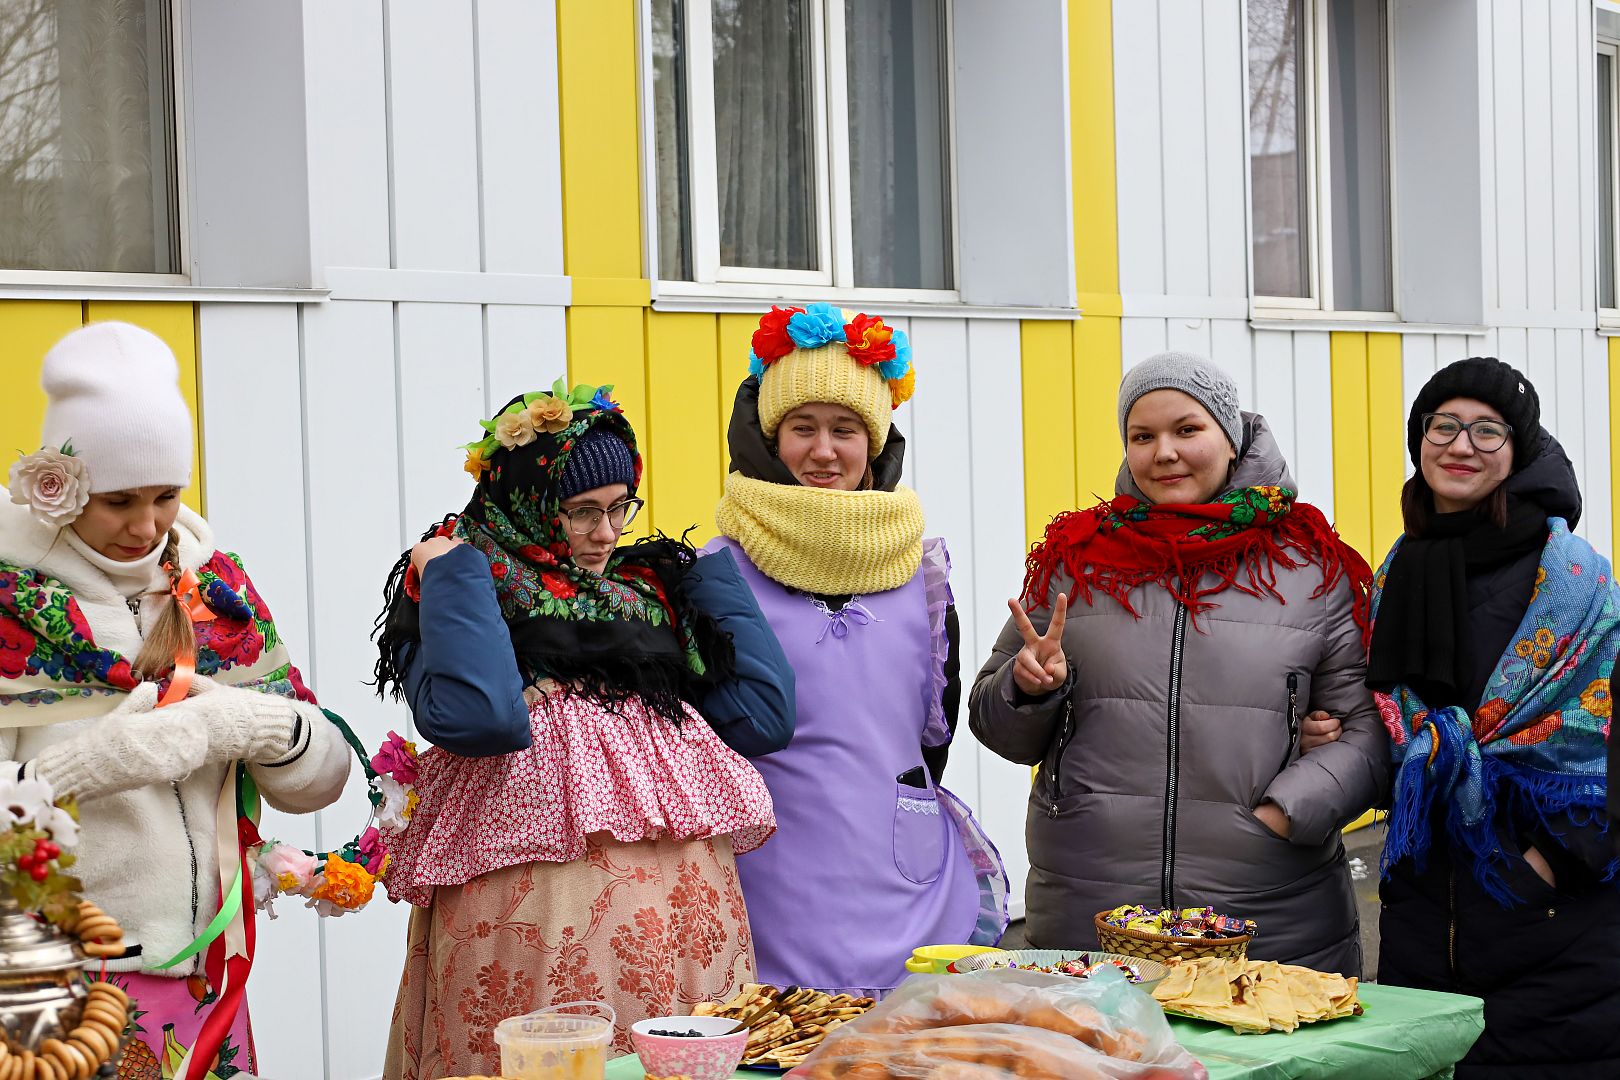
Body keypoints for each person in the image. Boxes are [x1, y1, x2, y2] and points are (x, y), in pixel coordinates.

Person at [375, 385, 780, 1075]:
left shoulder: (649, 592)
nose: (606, 533)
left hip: (679, 912)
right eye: (582, 513)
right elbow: (480, 718)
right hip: (532, 906)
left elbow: (765, 717)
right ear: (529, 503)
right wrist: (453, 568)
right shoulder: (456, 580)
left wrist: (704, 576)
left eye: (620, 507)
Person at [0, 322, 352, 1074]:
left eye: (167, 495)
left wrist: (255, 724)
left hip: (205, 972)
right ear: (58, 489)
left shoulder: (216, 590)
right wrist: (88, 767)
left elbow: (319, 778)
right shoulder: (8, 603)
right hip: (53, 980)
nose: (147, 526)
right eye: (119, 499)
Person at [969, 352, 1389, 974]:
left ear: (1231, 436)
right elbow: (994, 723)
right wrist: (1029, 689)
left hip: (1267, 915)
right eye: (1143, 436)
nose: (1163, 452)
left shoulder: (1311, 565)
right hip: (1090, 909)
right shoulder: (1078, 560)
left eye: (1186, 430)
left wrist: (1282, 812)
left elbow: (1368, 734)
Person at [706, 303, 1008, 999]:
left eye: (846, 430)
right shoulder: (719, 569)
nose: (824, 451)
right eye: (801, 428)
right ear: (767, 436)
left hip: (904, 883)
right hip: (773, 884)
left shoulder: (918, 570)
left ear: (874, 443)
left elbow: (932, 731)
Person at [1366, 358, 1620, 1076]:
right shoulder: (1398, 572)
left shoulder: (1572, 578)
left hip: (1555, 929)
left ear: (1518, 450)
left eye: (1486, 430)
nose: (1461, 444)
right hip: (1423, 915)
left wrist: (1552, 863)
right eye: (1443, 425)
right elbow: (1391, 714)